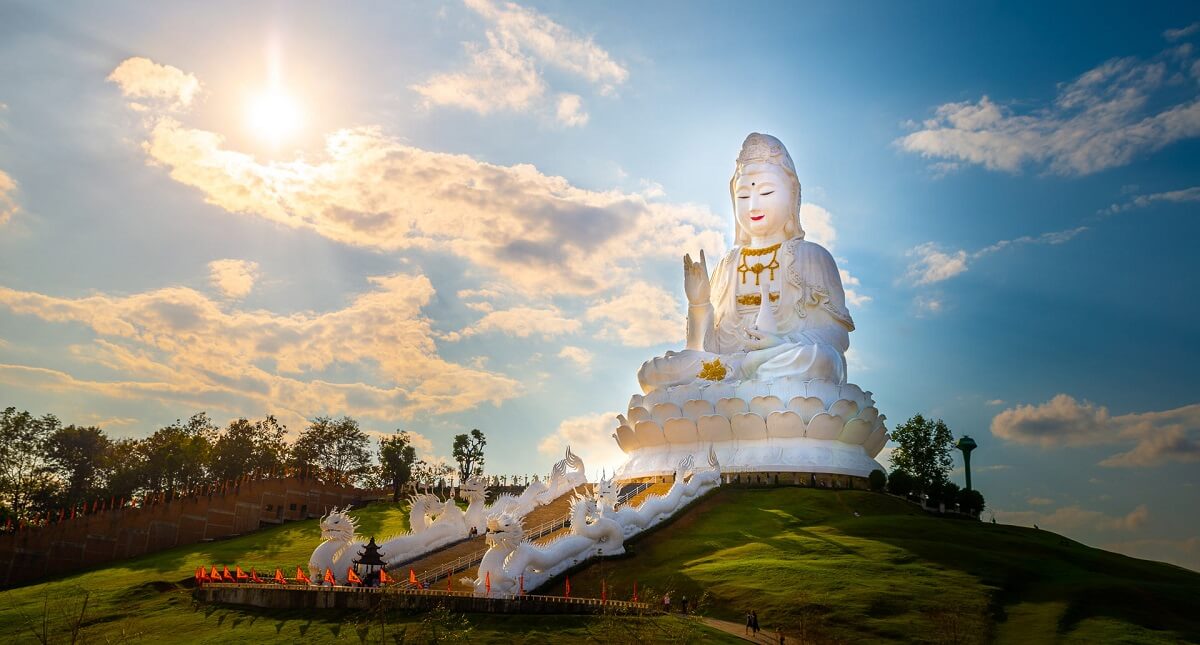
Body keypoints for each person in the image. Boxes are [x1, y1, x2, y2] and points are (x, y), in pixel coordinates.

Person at [637, 132, 853, 394]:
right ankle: (742, 374)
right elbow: (702, 349)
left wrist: (778, 343)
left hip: (780, 359)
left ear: (792, 195)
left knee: (821, 361)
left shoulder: (811, 257)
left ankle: (743, 375)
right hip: (727, 365)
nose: (753, 206)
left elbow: (836, 336)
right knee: (652, 372)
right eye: (743, 196)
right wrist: (698, 303)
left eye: (766, 192)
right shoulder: (728, 263)